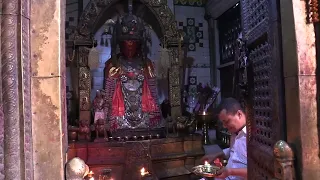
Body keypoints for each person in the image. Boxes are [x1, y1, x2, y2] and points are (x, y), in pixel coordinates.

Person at [202, 97, 247, 180]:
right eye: (223, 122)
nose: (224, 126)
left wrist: (230, 171)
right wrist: (217, 155)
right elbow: (234, 151)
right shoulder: (235, 133)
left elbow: (258, 171)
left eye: (227, 121)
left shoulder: (254, 137)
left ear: (239, 114)